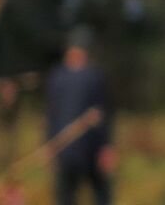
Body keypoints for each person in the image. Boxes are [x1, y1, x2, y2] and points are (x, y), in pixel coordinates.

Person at [46, 26, 115, 204]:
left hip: (83, 148)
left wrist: (106, 147)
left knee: (85, 195)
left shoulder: (60, 77)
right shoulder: (91, 76)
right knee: (77, 196)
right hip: (72, 148)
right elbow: (52, 114)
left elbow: (103, 115)